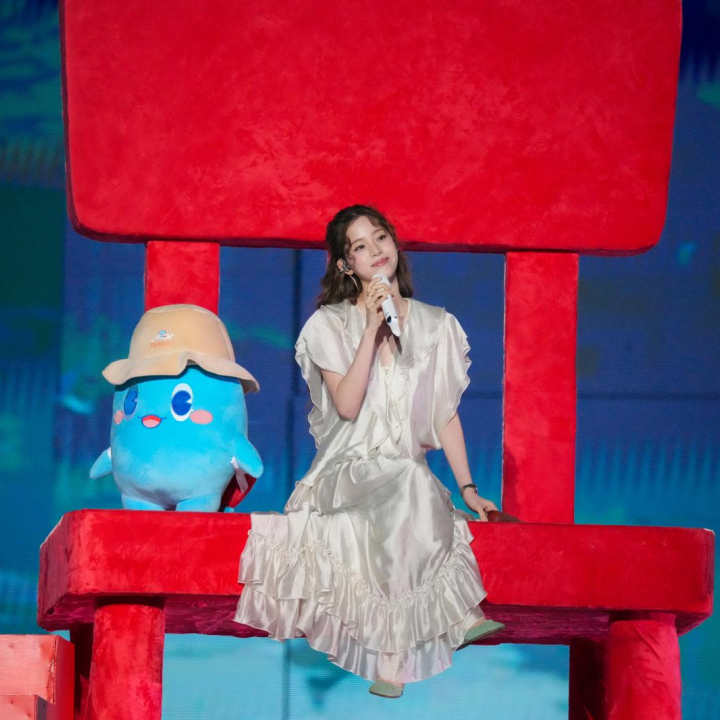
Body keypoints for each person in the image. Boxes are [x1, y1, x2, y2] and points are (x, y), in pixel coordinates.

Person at [235, 205, 504, 698]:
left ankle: (392, 660)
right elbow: (347, 404)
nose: (376, 250)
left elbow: (443, 415)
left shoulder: (436, 324)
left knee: (414, 483)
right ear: (346, 264)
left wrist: (468, 489)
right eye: (360, 246)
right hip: (346, 471)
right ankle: (460, 614)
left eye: (380, 237)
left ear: (394, 242)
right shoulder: (327, 325)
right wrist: (371, 331)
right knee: (411, 483)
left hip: (405, 474)